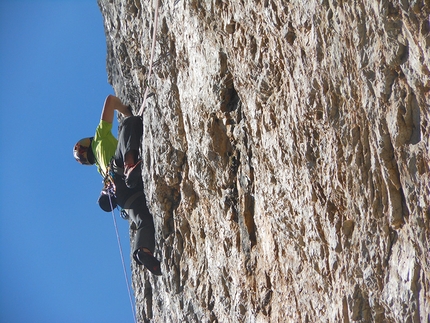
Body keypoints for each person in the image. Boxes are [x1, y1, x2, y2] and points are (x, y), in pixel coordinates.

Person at [73, 95, 161, 276]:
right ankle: (130, 165)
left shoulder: (99, 168)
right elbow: (110, 100)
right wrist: (127, 111)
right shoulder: (99, 137)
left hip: (122, 197)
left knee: (144, 220)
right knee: (129, 124)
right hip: (120, 172)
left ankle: (143, 251)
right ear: (88, 142)